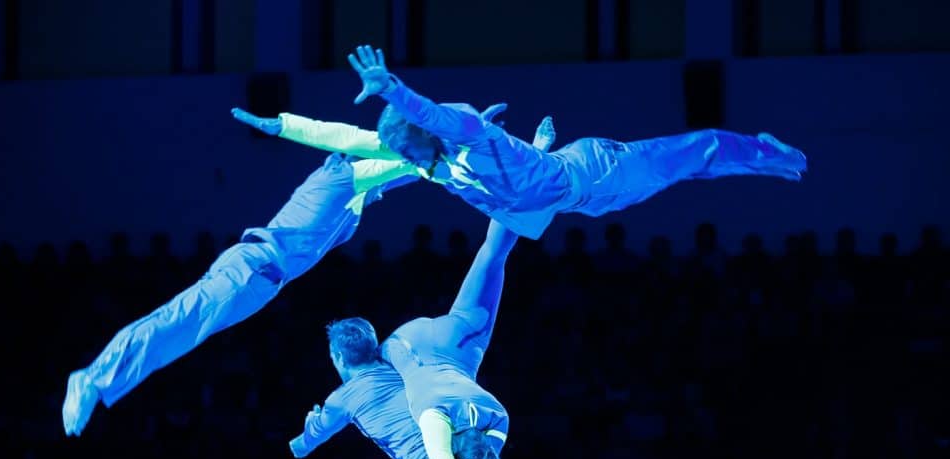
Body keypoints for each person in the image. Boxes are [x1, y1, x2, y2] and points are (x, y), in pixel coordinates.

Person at [290, 115, 556, 459]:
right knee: (492, 253)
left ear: (339, 358)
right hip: (454, 353)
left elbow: (307, 441)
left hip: (442, 418)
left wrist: (301, 434)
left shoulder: (354, 386)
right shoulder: (387, 364)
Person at [61, 110, 422, 436]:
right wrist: (452, 141)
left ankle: (103, 385)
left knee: (182, 338)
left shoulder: (355, 192)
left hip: (262, 285)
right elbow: (406, 164)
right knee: (175, 320)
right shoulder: (343, 176)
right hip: (249, 267)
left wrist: (458, 144)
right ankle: (91, 378)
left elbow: (408, 172)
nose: (380, 191)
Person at [267, 45, 806, 242]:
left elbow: (433, 117)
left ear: (427, 138)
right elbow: (364, 148)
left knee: (696, 152)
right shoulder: (435, 166)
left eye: (411, 151)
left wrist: (395, 89)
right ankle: (762, 159)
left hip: (597, 172)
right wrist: (291, 131)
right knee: (684, 173)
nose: (407, 163)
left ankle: (766, 152)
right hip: (581, 199)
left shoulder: (465, 134)